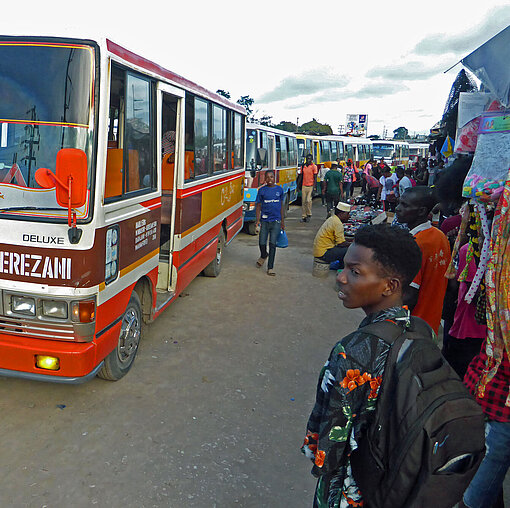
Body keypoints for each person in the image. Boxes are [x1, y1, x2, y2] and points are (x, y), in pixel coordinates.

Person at [302, 224, 422, 507]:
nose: (341, 278)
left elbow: (327, 448)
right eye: (344, 268)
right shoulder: (420, 329)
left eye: (355, 272)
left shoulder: (353, 352)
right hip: (398, 479)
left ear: (390, 285)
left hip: (354, 487)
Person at [396, 186, 451, 334]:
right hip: (431, 321)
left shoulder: (416, 243)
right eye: (399, 203)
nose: (397, 208)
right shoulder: (440, 236)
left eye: (405, 205)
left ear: (421, 211)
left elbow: (409, 295)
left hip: (414, 324)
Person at [255, 170, 285, 276]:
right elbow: (258, 206)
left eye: (271, 177)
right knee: (262, 242)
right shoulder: (262, 191)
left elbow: (282, 206)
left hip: (276, 221)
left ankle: (270, 267)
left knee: (272, 244)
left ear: (274, 178)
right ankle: (264, 255)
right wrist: (257, 220)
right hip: (264, 221)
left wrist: (282, 221)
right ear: (265, 179)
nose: (269, 179)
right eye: (267, 177)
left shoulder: (279, 190)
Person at [312, 202, 351, 266]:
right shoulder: (338, 223)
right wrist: (352, 244)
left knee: (344, 248)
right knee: (349, 250)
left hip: (319, 251)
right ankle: (341, 268)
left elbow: (339, 239)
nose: (349, 216)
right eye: (347, 214)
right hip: (323, 253)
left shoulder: (333, 218)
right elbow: (341, 243)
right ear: (341, 214)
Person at [299, 154, 318, 222]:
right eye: (307, 159)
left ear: (312, 160)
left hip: (311, 186)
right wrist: (298, 186)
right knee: (303, 202)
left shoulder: (314, 167)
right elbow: (301, 176)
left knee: (308, 200)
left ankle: (309, 214)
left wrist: (314, 188)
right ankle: (304, 216)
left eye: (310, 159)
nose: (308, 160)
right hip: (304, 185)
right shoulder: (303, 166)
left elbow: (315, 178)